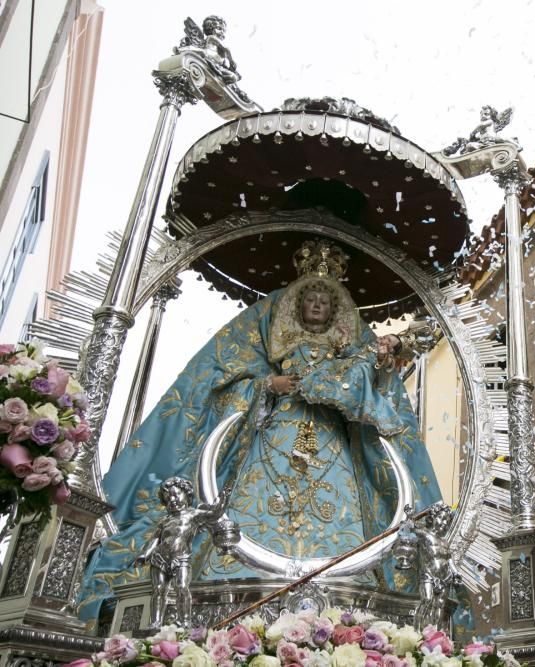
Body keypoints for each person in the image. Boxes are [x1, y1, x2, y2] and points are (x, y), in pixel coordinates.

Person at [79, 240, 441, 623]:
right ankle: (229, 583)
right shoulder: (265, 336)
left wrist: (379, 360)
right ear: (293, 305)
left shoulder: (353, 347)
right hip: (275, 430)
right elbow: (219, 377)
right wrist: (267, 386)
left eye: (325, 300)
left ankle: (347, 587)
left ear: (337, 311)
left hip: (331, 437)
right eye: (309, 298)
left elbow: (375, 387)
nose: (317, 305)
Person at [136, 477, 232, 628]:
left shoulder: (193, 515)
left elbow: (215, 513)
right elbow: (155, 539)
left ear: (186, 495)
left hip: (181, 559)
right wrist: (145, 554)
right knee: (159, 589)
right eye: (168, 498)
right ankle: (155, 622)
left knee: (181, 587)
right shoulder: (165, 521)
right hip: (159, 558)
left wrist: (224, 498)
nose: (172, 500)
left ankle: (185, 621)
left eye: (176, 495)